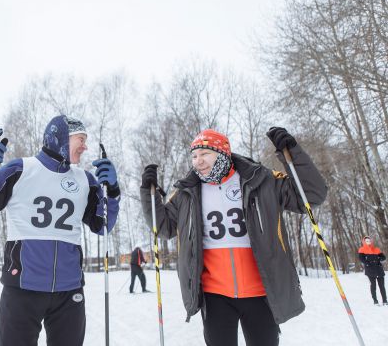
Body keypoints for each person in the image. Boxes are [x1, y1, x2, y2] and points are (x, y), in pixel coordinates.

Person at [140, 127, 327, 346]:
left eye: (204, 154)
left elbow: (312, 195)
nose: (197, 161)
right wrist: (148, 193)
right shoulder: (187, 193)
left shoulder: (261, 180)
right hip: (215, 295)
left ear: (223, 153)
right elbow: (162, 228)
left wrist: (292, 153)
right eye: (194, 156)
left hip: (260, 292)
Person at [0, 115, 121, 346]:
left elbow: (103, 225)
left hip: (69, 291)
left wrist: (113, 192)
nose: (85, 146)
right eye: (81, 139)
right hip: (23, 287)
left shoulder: (85, 179)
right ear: (60, 137)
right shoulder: (22, 169)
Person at [358, 235, 387, 306]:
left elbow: (383, 257)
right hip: (370, 270)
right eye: (367, 241)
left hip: (379, 269)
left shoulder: (376, 249)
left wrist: (379, 259)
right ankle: (375, 301)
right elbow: (361, 259)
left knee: (382, 286)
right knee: (373, 286)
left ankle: (385, 301)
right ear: (364, 242)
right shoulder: (362, 249)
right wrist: (368, 263)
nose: (368, 242)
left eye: (369, 241)